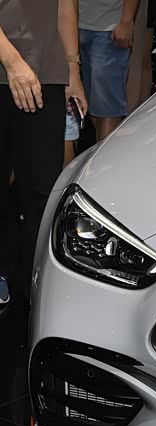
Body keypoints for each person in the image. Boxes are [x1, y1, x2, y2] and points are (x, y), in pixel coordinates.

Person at [0, 0, 87, 315]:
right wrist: (13, 62)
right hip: (7, 69)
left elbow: (65, 7)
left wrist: (72, 70)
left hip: (47, 75)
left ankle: (32, 286)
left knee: (42, 191)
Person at [79, 0, 140, 141]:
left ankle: (105, 155)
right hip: (77, 25)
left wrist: (126, 20)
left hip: (109, 28)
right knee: (92, 107)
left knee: (108, 109)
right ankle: (101, 151)